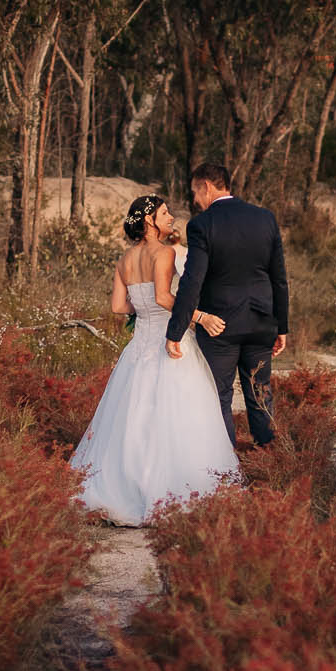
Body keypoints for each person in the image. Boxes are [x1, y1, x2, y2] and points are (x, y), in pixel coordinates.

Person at [70, 193, 239, 526]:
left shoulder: (124, 260)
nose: (171, 217)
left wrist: (143, 306)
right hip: (168, 343)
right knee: (182, 414)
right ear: (149, 220)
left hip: (138, 348)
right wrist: (200, 317)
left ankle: (125, 486)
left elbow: (119, 307)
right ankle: (172, 490)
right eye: (165, 213)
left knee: (133, 417)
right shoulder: (164, 253)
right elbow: (164, 297)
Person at [165, 160, 289, 448]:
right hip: (261, 323)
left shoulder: (201, 225)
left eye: (195, 192)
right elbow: (279, 278)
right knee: (260, 393)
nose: (195, 200)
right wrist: (281, 326)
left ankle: (225, 470)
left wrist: (175, 331)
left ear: (207, 187)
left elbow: (192, 282)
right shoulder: (265, 218)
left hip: (220, 327)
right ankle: (271, 459)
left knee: (217, 396)